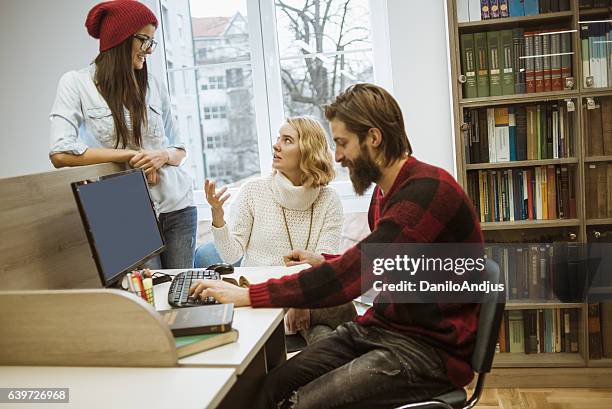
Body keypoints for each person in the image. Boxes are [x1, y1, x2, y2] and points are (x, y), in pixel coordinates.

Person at [190, 83, 484, 408]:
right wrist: (325, 260)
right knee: (268, 388)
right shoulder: (386, 192)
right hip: (382, 328)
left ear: (373, 138)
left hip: (426, 350)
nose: (338, 156)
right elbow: (378, 259)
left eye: (343, 143)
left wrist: (248, 295)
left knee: (299, 404)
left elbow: (356, 274)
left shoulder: (428, 191)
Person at [48, 0, 196, 269]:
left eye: (153, 42)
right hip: (120, 209)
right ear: (119, 38)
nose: (149, 50)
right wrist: (130, 155)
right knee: (143, 303)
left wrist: (162, 155)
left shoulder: (154, 84)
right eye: (144, 40)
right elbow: (60, 153)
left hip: (177, 204)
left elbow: (179, 149)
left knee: (182, 294)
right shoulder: (76, 83)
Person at [203, 116, 355, 343]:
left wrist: (300, 300)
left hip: (306, 296)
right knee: (338, 319)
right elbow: (231, 254)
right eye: (278, 138)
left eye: (287, 140)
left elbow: (322, 262)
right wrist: (218, 217)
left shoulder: (329, 200)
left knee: (325, 339)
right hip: (259, 297)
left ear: (307, 151)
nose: (276, 145)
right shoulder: (254, 191)